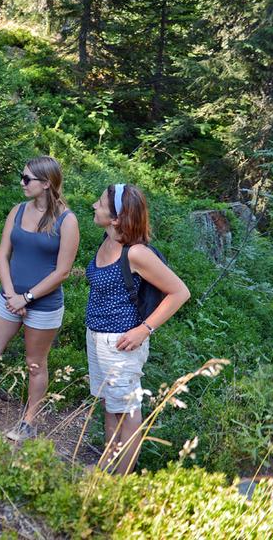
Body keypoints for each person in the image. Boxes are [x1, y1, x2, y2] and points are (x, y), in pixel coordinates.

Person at [0, 156, 79, 441]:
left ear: (46, 184)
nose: (22, 183)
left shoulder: (67, 221)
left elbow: (63, 271)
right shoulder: (17, 211)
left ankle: (29, 422)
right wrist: (11, 295)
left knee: (35, 364)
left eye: (27, 179)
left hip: (43, 305)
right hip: (9, 298)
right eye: (22, 176)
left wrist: (27, 298)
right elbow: (2, 254)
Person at [85, 183, 189, 474]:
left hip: (121, 343)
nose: (94, 205)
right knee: (110, 406)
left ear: (116, 218)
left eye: (100, 203)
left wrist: (144, 329)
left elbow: (180, 292)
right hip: (96, 338)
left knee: (128, 412)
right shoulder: (107, 241)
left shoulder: (136, 254)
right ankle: (105, 468)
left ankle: (122, 481)